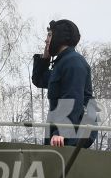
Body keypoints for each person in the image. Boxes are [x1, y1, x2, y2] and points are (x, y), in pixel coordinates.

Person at [30, 18, 95, 146]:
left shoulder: (73, 63)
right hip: (63, 132)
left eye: (50, 35)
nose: (46, 40)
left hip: (74, 132)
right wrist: (46, 56)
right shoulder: (62, 63)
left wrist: (61, 132)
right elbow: (39, 79)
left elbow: (72, 99)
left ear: (59, 36)